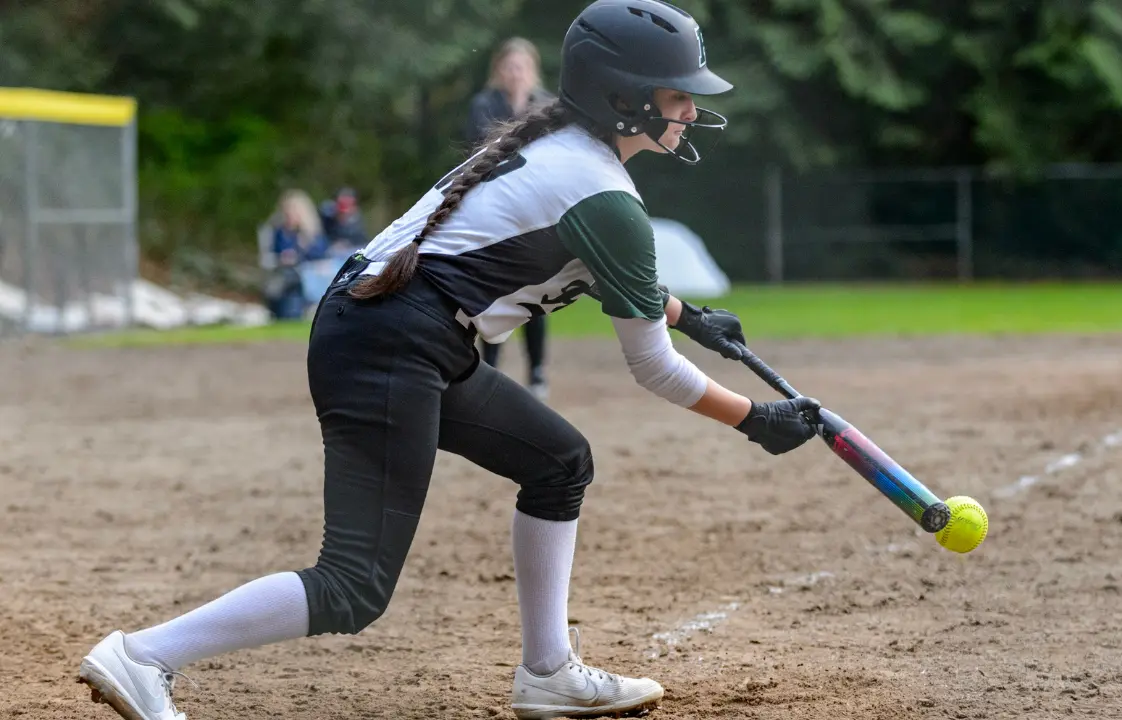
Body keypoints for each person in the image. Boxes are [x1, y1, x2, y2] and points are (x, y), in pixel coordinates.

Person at [75, 2, 823, 719]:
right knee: (354, 585)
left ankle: (548, 673)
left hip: (397, 332)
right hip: (392, 341)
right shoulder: (605, 195)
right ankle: (143, 655)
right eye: (677, 94)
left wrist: (688, 315)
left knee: (559, 462)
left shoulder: (560, 147)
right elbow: (652, 368)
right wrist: (752, 418)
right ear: (624, 96)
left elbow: (590, 266)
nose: (691, 109)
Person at [466, 36, 557, 401]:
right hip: (495, 208)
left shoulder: (547, 105)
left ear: (532, 70)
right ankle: (489, 367)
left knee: (534, 290)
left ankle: (536, 370)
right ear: (498, 70)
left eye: (521, 66)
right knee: (492, 291)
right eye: (509, 66)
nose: (515, 73)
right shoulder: (483, 105)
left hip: (534, 211)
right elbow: (480, 152)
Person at [263, 189, 330, 320]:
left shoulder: (313, 235)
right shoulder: (280, 232)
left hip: (307, 278)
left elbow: (321, 256)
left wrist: (302, 247)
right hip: (284, 275)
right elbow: (273, 253)